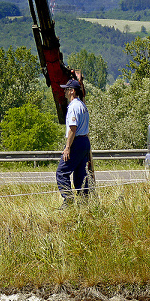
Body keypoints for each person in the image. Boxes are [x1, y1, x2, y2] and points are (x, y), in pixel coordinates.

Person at [56, 79, 91, 209]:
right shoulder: (82, 105)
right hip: (84, 141)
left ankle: (68, 201)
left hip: (76, 142)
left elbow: (72, 128)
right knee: (80, 174)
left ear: (72, 91)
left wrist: (68, 147)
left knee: (62, 172)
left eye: (66, 89)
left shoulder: (73, 107)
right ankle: (84, 202)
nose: (64, 92)